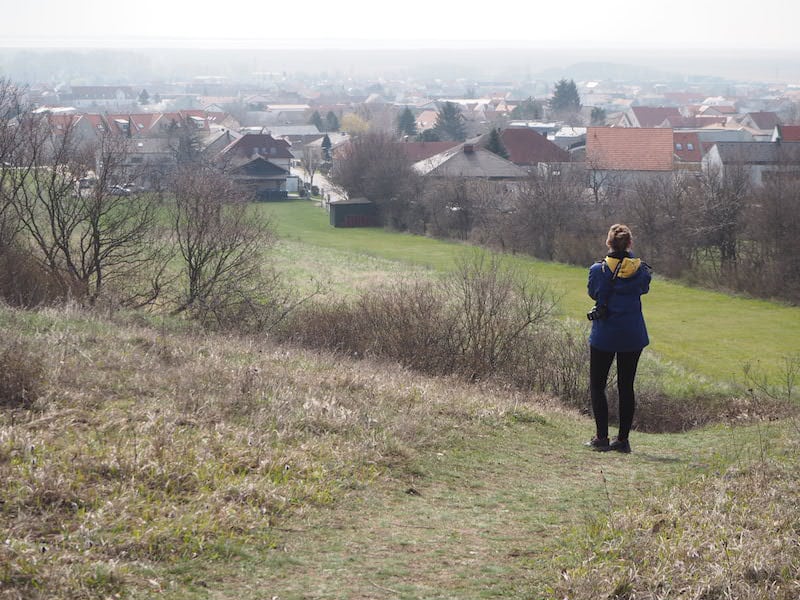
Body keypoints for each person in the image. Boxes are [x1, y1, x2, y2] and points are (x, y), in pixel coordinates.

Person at [585, 224, 651, 453]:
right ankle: (622, 441)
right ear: (629, 244)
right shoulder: (641, 270)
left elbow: (594, 293)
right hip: (632, 335)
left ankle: (601, 438)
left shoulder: (598, 270)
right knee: (626, 386)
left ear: (608, 243)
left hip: (605, 334)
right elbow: (643, 289)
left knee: (597, 386)